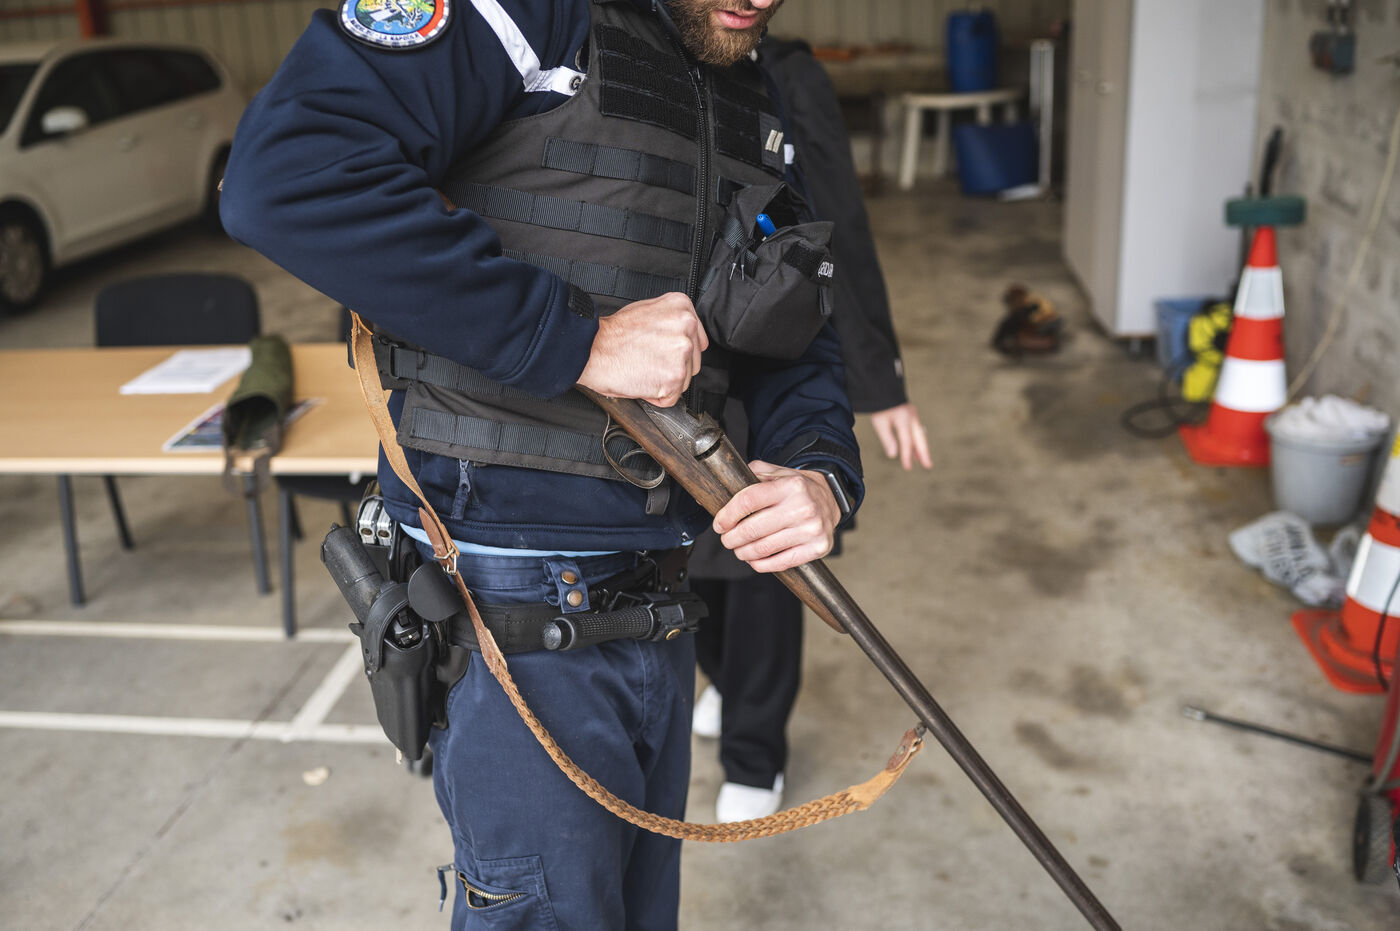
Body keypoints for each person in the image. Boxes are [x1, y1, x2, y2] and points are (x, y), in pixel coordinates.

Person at [219, 1, 864, 928]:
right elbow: (284, 177)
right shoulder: (527, 13)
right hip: (512, 610)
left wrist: (818, 469)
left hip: (662, 598)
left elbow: (793, 318)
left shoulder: (745, 79)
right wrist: (575, 340)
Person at [688, 34, 933, 823]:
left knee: (762, 565)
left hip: (762, 359)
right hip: (659, 375)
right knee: (684, 562)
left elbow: (835, 231)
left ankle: (755, 751)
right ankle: (723, 680)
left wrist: (880, 379)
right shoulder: (622, 49)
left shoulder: (787, 79)